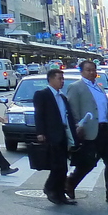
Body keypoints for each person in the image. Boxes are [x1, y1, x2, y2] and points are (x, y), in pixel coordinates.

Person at [65, 60, 108, 204]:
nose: (92, 73)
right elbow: (73, 109)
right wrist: (77, 126)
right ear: (81, 71)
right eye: (88, 70)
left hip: (106, 128)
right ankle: (70, 182)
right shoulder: (76, 87)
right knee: (88, 162)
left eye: (93, 70)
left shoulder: (98, 87)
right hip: (89, 130)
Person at [33, 69, 78, 205]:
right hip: (51, 134)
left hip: (64, 134)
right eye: (59, 78)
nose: (62, 81)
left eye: (62, 79)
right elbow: (39, 114)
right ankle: (50, 188)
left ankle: (60, 194)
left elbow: (67, 115)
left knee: (63, 166)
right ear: (51, 79)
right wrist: (40, 133)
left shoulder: (62, 97)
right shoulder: (42, 95)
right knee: (56, 166)